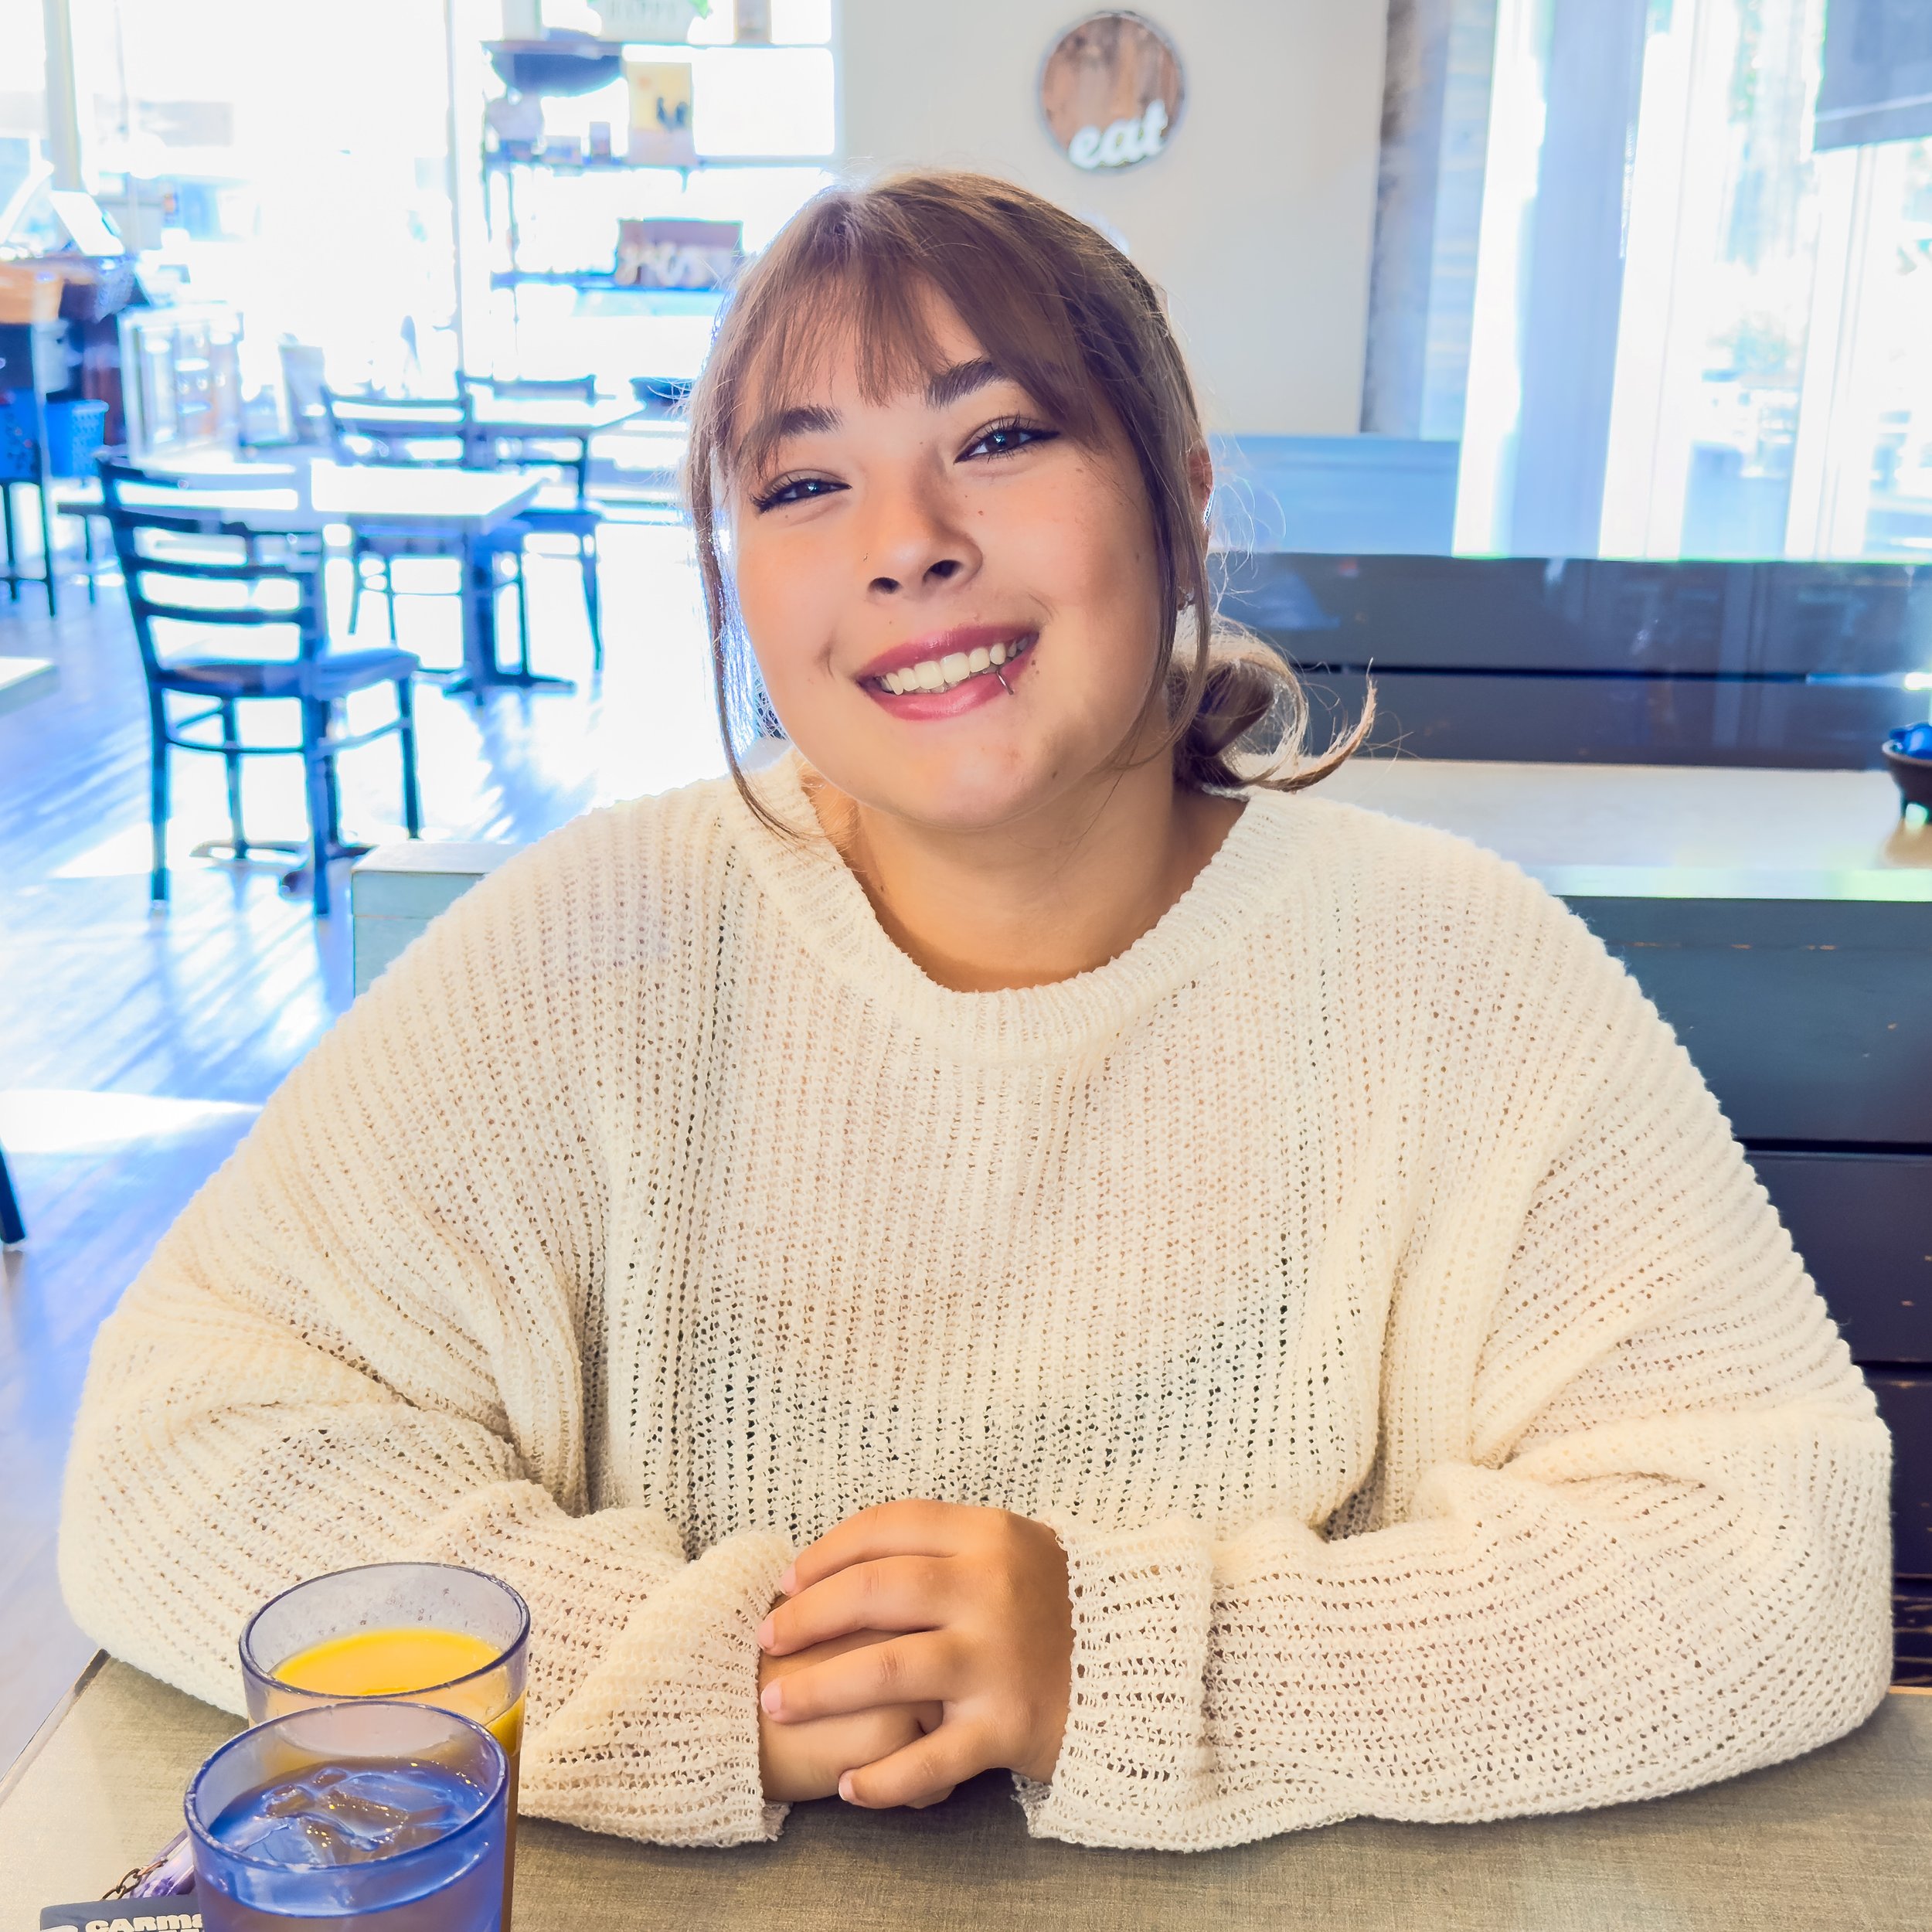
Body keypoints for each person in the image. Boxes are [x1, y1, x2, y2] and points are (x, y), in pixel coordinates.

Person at [61, 171, 1890, 1852]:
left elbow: (1772, 1553)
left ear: (1175, 489)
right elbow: (182, 1451)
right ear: (734, 580)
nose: (906, 542)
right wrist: (745, 1671)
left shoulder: (1452, 969)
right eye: (800, 482)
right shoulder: (588, 947)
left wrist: (1116, 1658)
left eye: (997, 437)